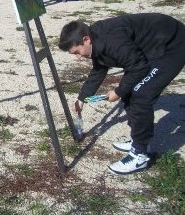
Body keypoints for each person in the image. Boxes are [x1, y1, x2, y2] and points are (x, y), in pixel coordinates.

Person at [58, 13, 185, 175]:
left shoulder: (112, 42)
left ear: (86, 40)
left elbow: (138, 67)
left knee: (140, 95)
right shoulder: (95, 38)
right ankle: (138, 140)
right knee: (130, 90)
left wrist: (118, 92)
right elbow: (99, 68)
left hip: (172, 45)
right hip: (153, 45)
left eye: (76, 52)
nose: (77, 58)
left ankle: (140, 154)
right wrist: (82, 98)